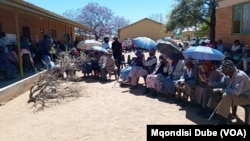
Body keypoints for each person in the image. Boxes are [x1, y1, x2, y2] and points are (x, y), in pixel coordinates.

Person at [211, 60, 250, 124]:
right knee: (221, 94)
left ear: (228, 70)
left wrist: (221, 90)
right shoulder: (228, 75)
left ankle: (223, 121)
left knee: (226, 96)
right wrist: (213, 85)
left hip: (247, 97)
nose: (222, 72)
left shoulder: (240, 76)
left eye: (223, 70)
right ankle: (224, 115)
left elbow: (236, 92)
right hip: (239, 95)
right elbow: (224, 85)